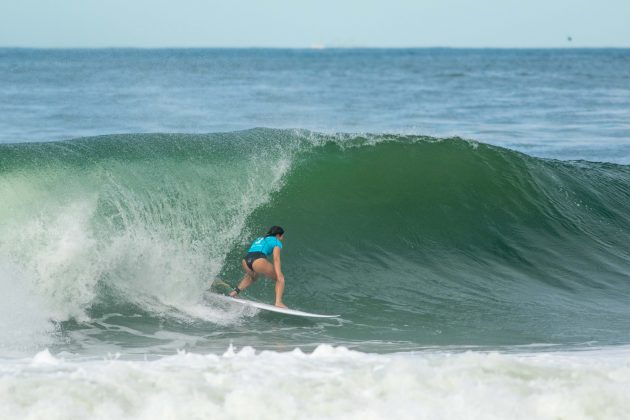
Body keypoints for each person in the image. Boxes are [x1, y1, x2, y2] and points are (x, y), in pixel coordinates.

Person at [229, 226, 287, 308]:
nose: (282, 238)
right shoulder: (277, 241)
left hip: (246, 260)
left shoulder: (260, 239)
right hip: (258, 260)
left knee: (253, 277)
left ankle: (234, 292)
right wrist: (279, 273)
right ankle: (278, 302)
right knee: (280, 278)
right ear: (278, 235)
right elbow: (276, 259)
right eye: (282, 236)